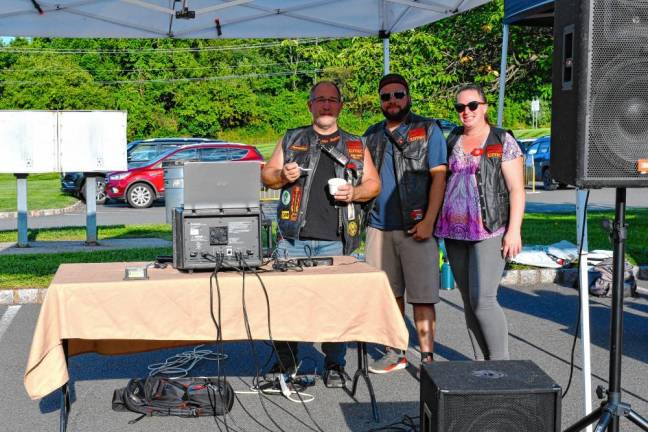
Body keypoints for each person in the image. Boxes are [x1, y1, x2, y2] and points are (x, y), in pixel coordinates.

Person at [261, 80, 380, 387]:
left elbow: (374, 185)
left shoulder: (355, 144)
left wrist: (354, 193)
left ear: (340, 105)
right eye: (320, 100)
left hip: (337, 239)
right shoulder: (292, 138)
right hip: (293, 240)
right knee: (286, 304)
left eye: (332, 100)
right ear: (309, 105)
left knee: (335, 306)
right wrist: (280, 174)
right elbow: (266, 175)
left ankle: (335, 365)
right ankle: (286, 362)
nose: (326, 105)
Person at [363, 73, 447, 373]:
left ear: (408, 96)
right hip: (378, 228)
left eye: (398, 94)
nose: (393, 101)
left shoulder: (427, 129)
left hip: (416, 227)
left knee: (422, 296)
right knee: (390, 295)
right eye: (386, 96)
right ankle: (395, 350)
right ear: (380, 101)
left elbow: (439, 176)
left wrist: (429, 220)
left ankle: (427, 358)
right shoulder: (370, 135)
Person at [434, 83, 524, 361]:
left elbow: (516, 189)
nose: (466, 111)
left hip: (490, 229)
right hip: (453, 231)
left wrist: (514, 231)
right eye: (460, 107)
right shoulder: (451, 140)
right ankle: (480, 367)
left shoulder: (501, 140)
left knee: (483, 301)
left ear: (484, 107)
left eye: (472, 105)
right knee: (469, 303)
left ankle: (503, 367)